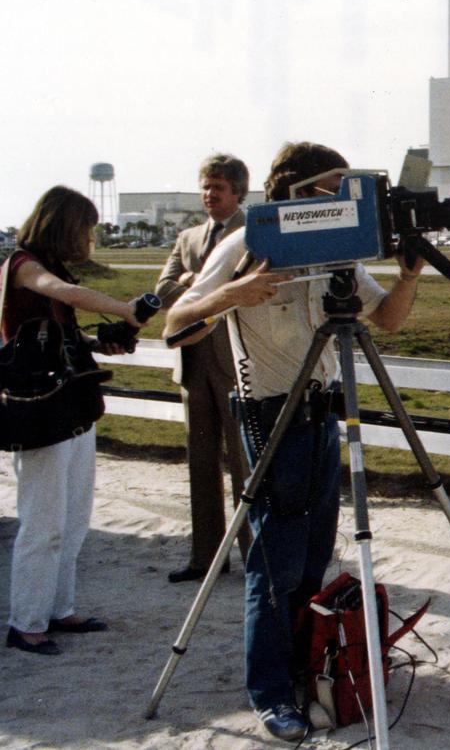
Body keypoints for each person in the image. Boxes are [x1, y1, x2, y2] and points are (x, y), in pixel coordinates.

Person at [163, 142, 425, 742]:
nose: (339, 201)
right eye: (328, 189)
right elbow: (177, 324)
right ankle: (271, 692)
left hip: (321, 417)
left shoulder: (338, 254)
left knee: (315, 556)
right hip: (268, 416)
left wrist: (408, 275)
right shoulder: (246, 243)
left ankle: (310, 669)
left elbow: (385, 319)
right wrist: (235, 294)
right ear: (295, 192)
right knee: (274, 563)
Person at [3, 186, 150, 656]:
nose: (90, 236)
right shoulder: (24, 265)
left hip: (69, 406)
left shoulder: (50, 266)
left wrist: (95, 340)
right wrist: (122, 308)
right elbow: (60, 293)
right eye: (85, 227)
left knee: (73, 517)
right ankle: (25, 622)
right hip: (40, 410)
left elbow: (56, 333)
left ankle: (59, 607)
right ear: (65, 225)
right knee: (43, 521)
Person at [156, 154, 253, 583]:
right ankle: (205, 558)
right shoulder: (188, 237)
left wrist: (195, 287)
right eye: (205, 187)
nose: (209, 195)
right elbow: (162, 289)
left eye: (218, 188)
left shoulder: (254, 234)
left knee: (245, 464)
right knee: (201, 462)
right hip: (193, 364)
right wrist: (198, 286)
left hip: (236, 363)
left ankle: (255, 557)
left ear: (238, 193)